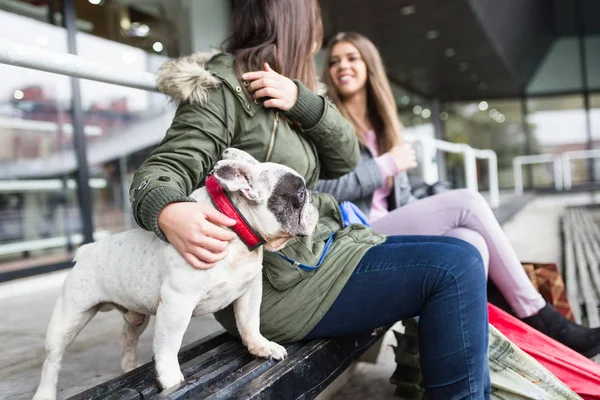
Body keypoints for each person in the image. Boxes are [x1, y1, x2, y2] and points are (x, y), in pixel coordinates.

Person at [130, 1, 491, 397]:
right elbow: (161, 170)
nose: (318, 39)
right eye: (316, 26)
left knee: (461, 251)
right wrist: (169, 209)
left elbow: (345, 158)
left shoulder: (285, 90)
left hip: (320, 252)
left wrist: (303, 99)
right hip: (278, 286)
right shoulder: (223, 91)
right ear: (298, 28)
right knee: (456, 267)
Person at [317, 31, 600, 358]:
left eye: (352, 58)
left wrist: (432, 192)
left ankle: (498, 348)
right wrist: (385, 165)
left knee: (469, 241)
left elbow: (400, 194)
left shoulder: (384, 124)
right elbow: (322, 190)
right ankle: (543, 320)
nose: (342, 66)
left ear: (369, 65)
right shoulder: (328, 120)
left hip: (389, 226)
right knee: (468, 202)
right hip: (358, 237)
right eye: (335, 60)